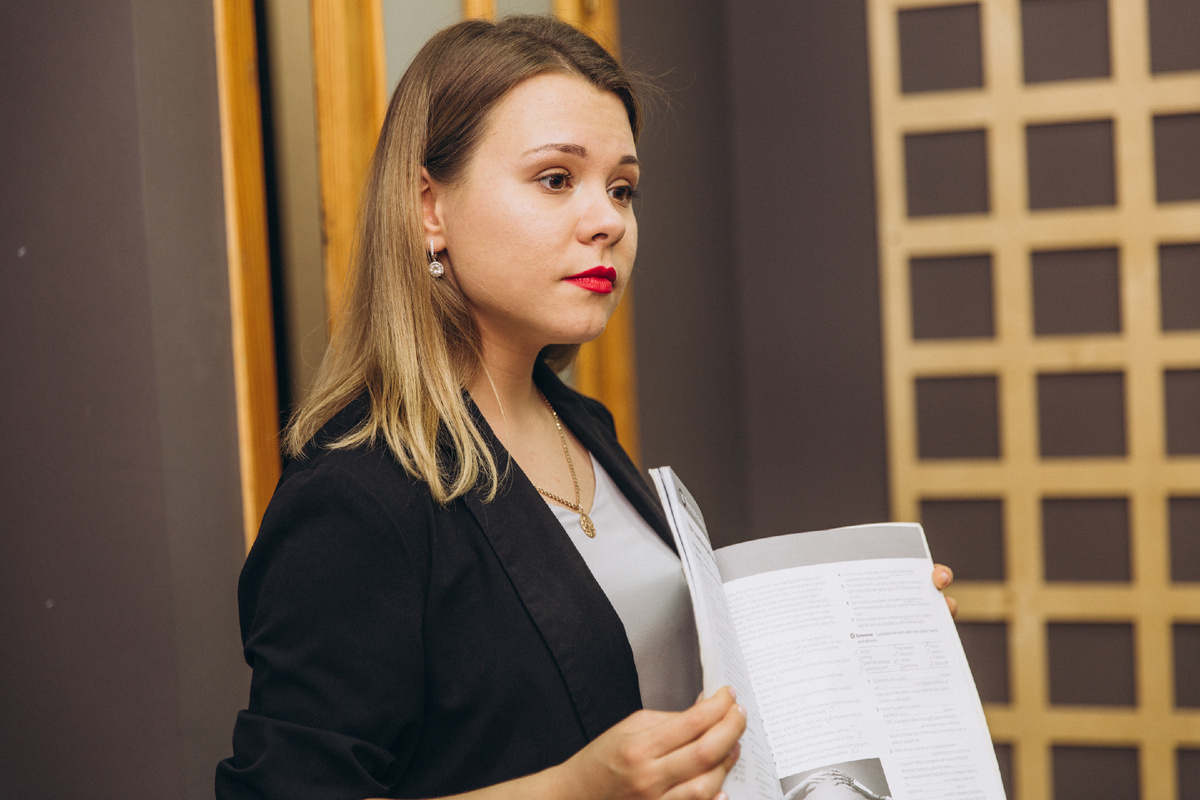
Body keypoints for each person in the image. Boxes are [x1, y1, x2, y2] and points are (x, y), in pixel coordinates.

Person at [215, 15, 954, 800]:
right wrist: (570, 791)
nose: (608, 221)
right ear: (430, 207)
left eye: (622, 189)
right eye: (555, 179)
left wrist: (854, 642)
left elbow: (658, 685)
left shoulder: (584, 426)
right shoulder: (353, 496)